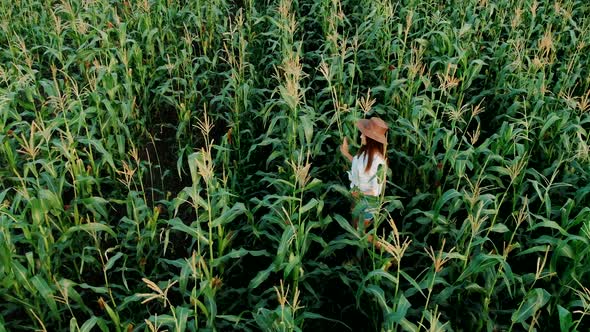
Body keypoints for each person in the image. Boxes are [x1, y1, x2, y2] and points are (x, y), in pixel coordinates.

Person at [340, 117, 389, 231]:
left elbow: (376, 191)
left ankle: (386, 248)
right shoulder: (365, 152)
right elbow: (361, 166)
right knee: (353, 228)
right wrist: (346, 154)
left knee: (360, 233)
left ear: (371, 139)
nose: (361, 136)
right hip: (357, 197)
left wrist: (359, 194)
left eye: (364, 134)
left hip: (368, 203)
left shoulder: (378, 162)